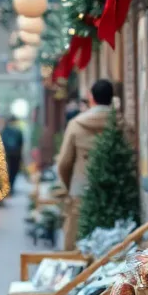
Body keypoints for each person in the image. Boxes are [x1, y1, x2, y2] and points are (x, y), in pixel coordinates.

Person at [57, 79, 116, 250]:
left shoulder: (76, 125)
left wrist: (71, 185)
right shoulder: (120, 124)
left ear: (91, 98)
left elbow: (64, 163)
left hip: (81, 190)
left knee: (77, 240)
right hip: (113, 190)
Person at [2, 117, 25, 196]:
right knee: (14, 171)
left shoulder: (5, 130)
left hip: (7, 154)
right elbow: (21, 143)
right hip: (16, 154)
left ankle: (7, 189)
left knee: (8, 171)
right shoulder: (18, 131)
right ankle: (11, 188)